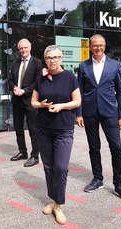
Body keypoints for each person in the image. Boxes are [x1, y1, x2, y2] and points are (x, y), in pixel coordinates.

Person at [76, 34, 121, 203]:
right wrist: (78, 113)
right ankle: (97, 178)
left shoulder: (115, 65)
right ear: (90, 47)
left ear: (105, 46)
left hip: (110, 113)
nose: (98, 48)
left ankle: (119, 185)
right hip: (90, 112)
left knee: (116, 147)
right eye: (95, 45)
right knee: (94, 147)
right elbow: (79, 90)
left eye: (101, 45)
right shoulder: (83, 66)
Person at [31, 45, 81, 225]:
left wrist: (61, 106)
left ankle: (58, 206)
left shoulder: (69, 77)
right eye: (49, 57)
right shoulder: (41, 78)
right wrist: (43, 105)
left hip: (64, 129)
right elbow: (33, 102)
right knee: (49, 167)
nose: (53, 60)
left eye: (56, 57)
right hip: (43, 129)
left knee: (61, 167)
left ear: (61, 58)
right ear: (45, 59)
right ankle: (53, 201)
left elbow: (77, 101)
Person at [8, 38, 42, 167]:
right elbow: (10, 79)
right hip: (17, 100)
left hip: (30, 101)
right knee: (18, 128)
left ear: (30, 47)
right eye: (21, 48)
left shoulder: (37, 63)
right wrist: (14, 88)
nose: (23, 50)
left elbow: (38, 81)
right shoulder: (15, 62)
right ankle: (22, 151)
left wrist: (25, 91)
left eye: (25, 48)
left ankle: (35, 156)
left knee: (33, 129)